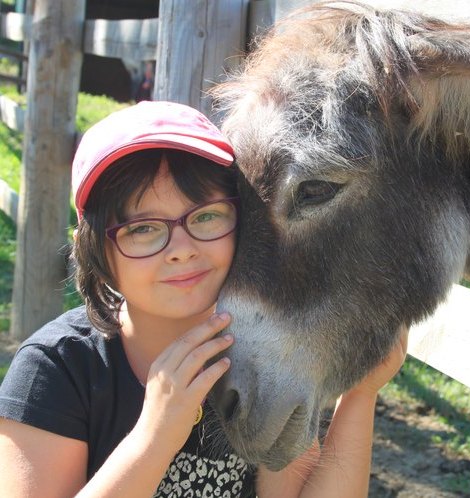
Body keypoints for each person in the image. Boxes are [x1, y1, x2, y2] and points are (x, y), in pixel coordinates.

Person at [0, 100, 408, 498]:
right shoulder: (55, 369)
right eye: (142, 229)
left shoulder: (264, 356)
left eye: (206, 216)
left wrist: (361, 393)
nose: (181, 247)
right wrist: (154, 437)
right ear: (92, 250)